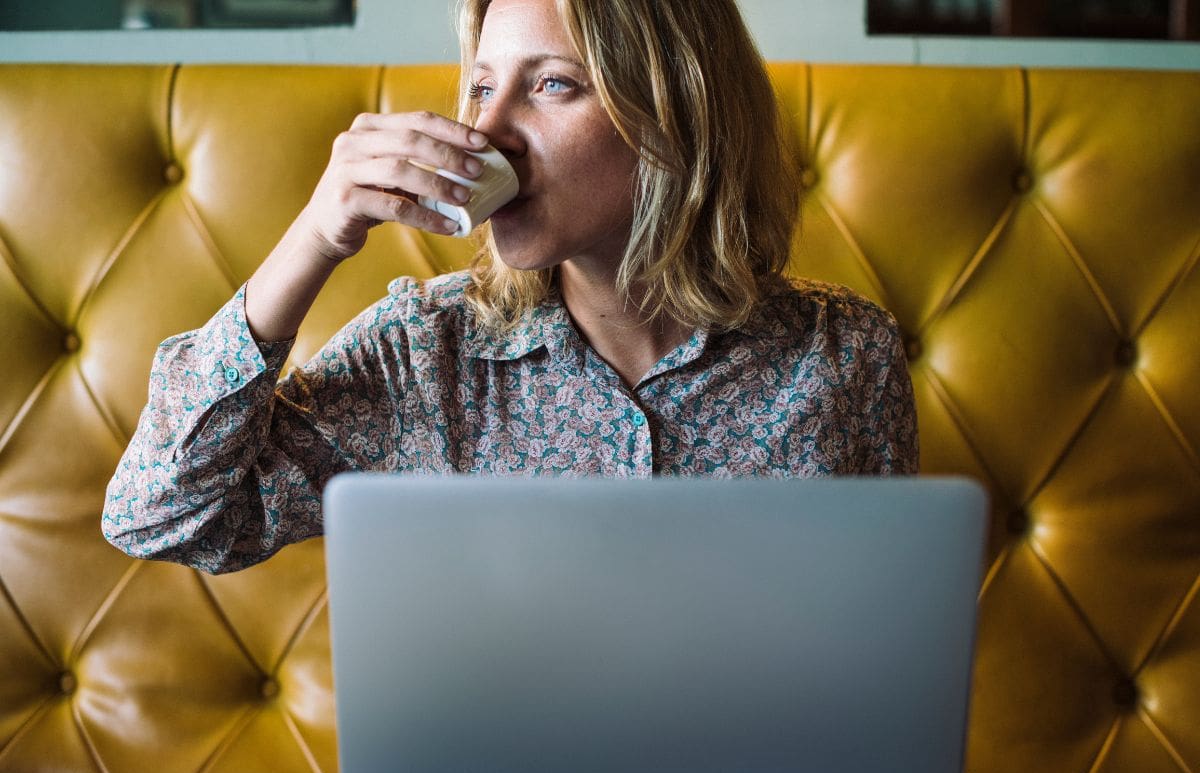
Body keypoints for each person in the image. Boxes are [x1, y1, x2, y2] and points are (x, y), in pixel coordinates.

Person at [102, 0, 918, 574]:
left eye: (551, 84)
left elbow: (882, 645)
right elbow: (162, 515)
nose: (486, 134)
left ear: (677, 114)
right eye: (483, 87)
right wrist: (315, 239)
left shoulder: (843, 355)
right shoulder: (425, 354)